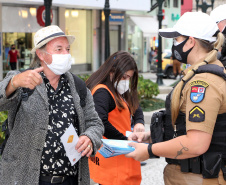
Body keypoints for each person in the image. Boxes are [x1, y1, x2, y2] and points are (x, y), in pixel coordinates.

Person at [125, 12, 226, 185]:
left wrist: (149, 150)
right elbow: (186, 126)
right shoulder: (200, 74)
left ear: (191, 41)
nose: (174, 45)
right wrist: (152, 136)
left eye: (177, 39)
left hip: (199, 178)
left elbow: (196, 143)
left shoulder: (203, 83)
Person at [0, 25, 104, 185]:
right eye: (59, 49)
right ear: (41, 54)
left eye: (67, 49)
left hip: (70, 179)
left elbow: (95, 123)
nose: (66, 54)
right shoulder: (22, 80)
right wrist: (13, 83)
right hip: (28, 179)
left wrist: (90, 137)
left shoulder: (78, 86)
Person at [86, 51, 144, 185]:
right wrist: (124, 140)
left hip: (121, 157)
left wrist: (139, 123)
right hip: (112, 162)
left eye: (129, 77)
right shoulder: (102, 92)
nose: (126, 81)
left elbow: (136, 107)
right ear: (111, 71)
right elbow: (100, 122)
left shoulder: (118, 89)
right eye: (124, 77)